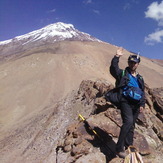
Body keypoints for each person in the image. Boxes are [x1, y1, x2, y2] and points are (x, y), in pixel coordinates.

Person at [109, 47, 146, 158]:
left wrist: (142, 104)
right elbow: (113, 69)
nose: (133, 64)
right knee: (128, 122)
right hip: (125, 101)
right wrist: (116, 57)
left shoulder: (140, 78)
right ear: (128, 63)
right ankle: (119, 148)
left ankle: (129, 145)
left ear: (138, 64)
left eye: (135, 63)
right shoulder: (123, 73)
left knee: (131, 126)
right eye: (131, 62)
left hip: (136, 104)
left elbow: (142, 91)